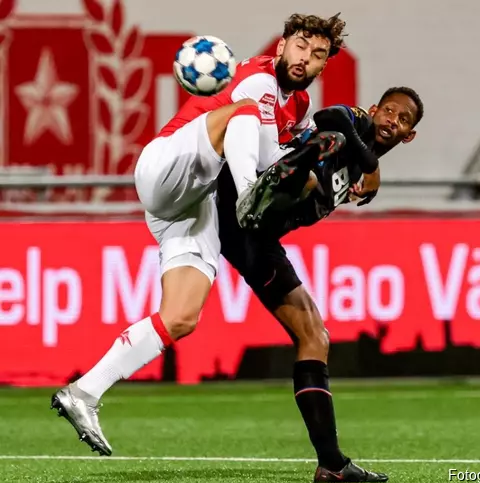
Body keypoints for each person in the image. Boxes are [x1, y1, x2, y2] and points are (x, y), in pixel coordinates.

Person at [49, 13, 361, 458]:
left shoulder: (298, 104)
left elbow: (289, 157)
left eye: (317, 54)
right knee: (248, 120)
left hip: (192, 200)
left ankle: (83, 393)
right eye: (300, 46)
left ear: (323, 66)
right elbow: (277, 161)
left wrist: (334, 169)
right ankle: (248, 195)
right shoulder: (256, 80)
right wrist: (316, 164)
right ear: (282, 47)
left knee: (181, 317)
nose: (305, 57)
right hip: (166, 165)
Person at [217, 86, 424, 483]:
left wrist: (368, 170)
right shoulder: (356, 125)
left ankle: (331, 464)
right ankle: (276, 182)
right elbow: (332, 116)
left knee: (315, 335)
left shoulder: (361, 172)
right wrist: (368, 163)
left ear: (408, 135)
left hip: (255, 238)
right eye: (389, 112)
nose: (392, 121)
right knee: (321, 157)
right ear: (374, 109)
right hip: (233, 207)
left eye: (403, 121)